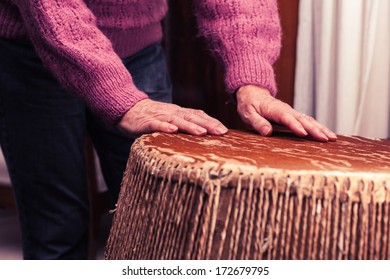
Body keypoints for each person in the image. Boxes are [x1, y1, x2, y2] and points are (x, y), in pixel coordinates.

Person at [0, 0, 337, 259]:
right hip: (30, 47)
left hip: (139, 47)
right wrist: (118, 96)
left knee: (158, 217)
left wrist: (252, 78)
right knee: (56, 227)